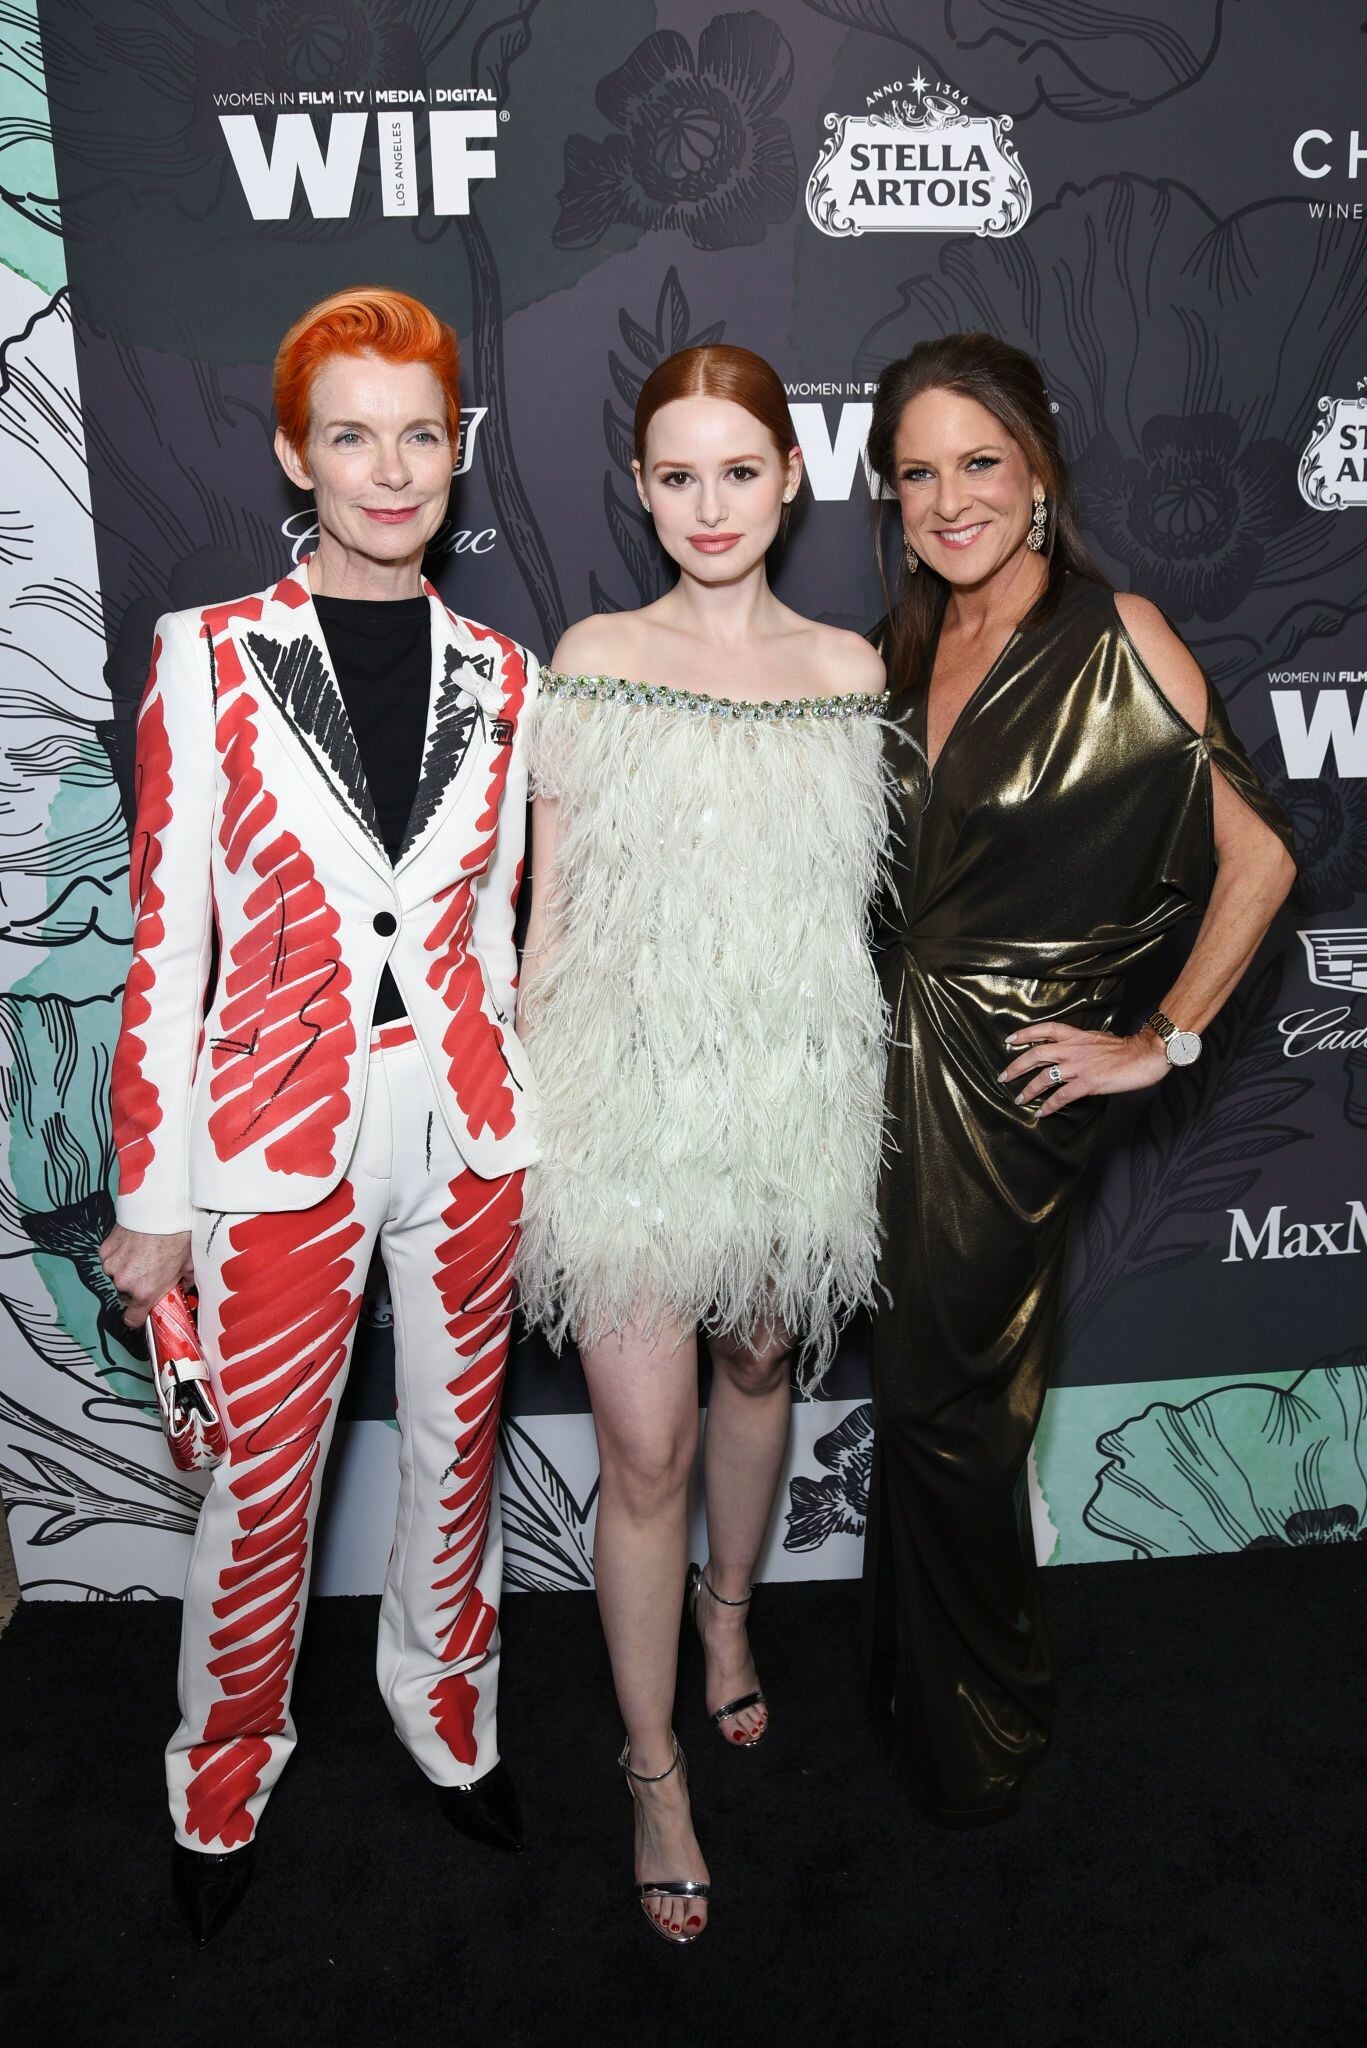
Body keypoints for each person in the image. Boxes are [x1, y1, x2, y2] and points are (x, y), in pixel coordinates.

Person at [99, 287, 540, 1942]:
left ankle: (451, 1719)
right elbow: (167, 941)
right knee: (260, 1487)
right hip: (271, 1136)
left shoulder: (509, 674)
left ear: (454, 452)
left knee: (458, 1459)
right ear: (297, 453)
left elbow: (492, 929)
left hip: (469, 1133)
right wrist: (153, 1196)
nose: (392, 469)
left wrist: (517, 1112)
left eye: (420, 436)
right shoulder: (207, 652)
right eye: (353, 436)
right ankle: (221, 1780)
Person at [862, 331, 1297, 1826]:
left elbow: (1262, 855)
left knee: (949, 1408)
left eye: (979, 461)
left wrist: (1159, 1038)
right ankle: (914, 1692)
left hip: (1005, 1089)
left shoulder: (1118, 632)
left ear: (1038, 469)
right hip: (880, 1062)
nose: (950, 499)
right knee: (918, 1391)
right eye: (918, 472)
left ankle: (984, 1728)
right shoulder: (901, 644)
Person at [517, 344, 888, 1941]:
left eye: (740, 472)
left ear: (793, 478)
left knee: (759, 1359)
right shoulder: (593, 657)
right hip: (619, 1100)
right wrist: (531, 1114)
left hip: (788, 1095)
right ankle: (652, 1765)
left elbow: (849, 922)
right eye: (678, 476)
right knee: (644, 1447)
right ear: (640, 487)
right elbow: (546, 913)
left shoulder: (850, 672)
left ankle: (730, 1614)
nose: (710, 506)